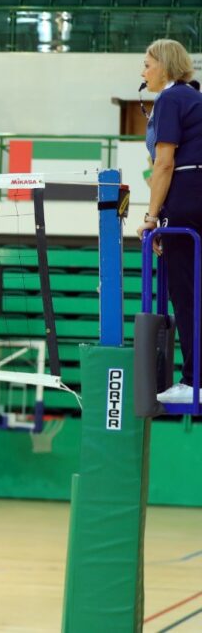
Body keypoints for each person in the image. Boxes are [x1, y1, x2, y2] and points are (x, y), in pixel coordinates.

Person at [135, 39, 202, 404]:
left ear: (164, 65)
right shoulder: (195, 98)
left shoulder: (171, 100)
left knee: (187, 292)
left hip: (189, 195)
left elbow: (164, 163)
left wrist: (151, 218)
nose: (143, 73)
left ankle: (194, 381)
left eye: (147, 64)